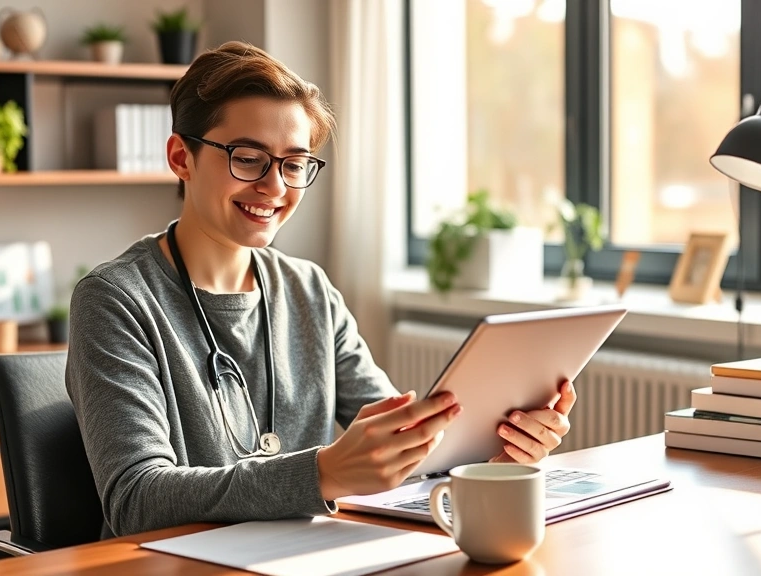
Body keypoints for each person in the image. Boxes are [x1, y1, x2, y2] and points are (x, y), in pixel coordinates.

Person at [65, 40, 577, 538]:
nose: (275, 187)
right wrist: (323, 472)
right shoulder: (115, 299)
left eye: (293, 163)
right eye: (248, 158)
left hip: (303, 556)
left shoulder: (308, 289)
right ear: (181, 157)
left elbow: (401, 445)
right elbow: (134, 498)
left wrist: (494, 454)